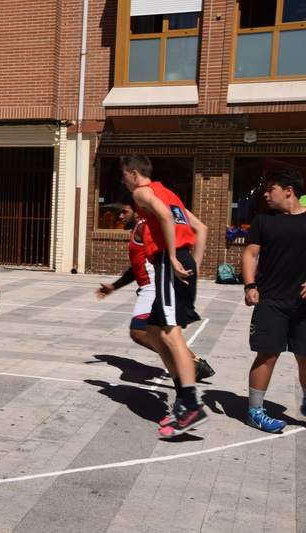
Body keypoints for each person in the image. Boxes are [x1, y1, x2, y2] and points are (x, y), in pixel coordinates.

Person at [121, 154, 209, 437]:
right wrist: (193, 262)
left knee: (171, 334)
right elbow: (201, 228)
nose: (123, 181)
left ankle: (191, 403)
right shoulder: (169, 193)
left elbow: (166, 217)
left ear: (134, 173)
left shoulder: (142, 193)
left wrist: (172, 256)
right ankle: (184, 399)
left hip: (168, 262)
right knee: (154, 332)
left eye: (124, 175)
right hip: (181, 261)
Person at [96, 195, 215, 382]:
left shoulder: (145, 227)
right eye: (119, 213)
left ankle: (190, 366)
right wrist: (114, 286)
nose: (120, 216)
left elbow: (175, 241)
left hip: (153, 286)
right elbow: (136, 268)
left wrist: (184, 265)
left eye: (124, 212)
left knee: (141, 332)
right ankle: (194, 364)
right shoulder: (138, 228)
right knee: (163, 332)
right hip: (150, 286)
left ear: (137, 211)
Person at [242, 170, 306, 432]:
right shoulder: (263, 221)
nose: (266, 195)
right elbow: (250, 254)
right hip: (270, 300)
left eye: (271, 189)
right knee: (267, 355)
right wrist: (249, 285)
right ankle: (255, 412)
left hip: (302, 305)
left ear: (288, 190)